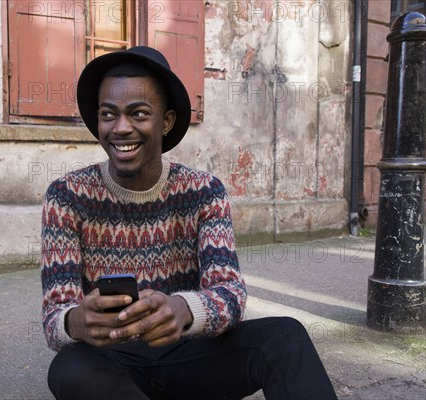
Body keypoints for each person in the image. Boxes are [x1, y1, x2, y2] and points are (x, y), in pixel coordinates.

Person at [40, 46, 337, 400]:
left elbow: (230, 295)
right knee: (69, 371)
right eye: (108, 114)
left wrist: (183, 309)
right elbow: (54, 317)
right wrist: (76, 322)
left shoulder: (203, 192)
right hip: (112, 361)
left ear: (165, 121)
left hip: (188, 353)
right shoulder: (66, 196)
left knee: (286, 337)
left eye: (138, 113)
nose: (121, 128)